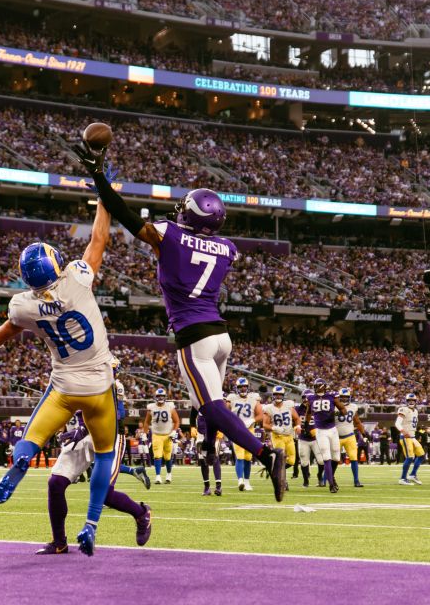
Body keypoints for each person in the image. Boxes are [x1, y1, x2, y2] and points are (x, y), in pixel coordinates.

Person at [80, 145, 287, 501]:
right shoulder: (226, 247)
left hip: (194, 338)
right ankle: (209, 446)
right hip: (221, 336)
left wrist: (101, 182)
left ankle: (268, 456)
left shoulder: (170, 234)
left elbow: (127, 218)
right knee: (209, 405)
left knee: (211, 407)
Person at [0, 202, 120, 556]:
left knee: (34, 435)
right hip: (98, 385)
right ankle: (90, 524)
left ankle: (22, 459)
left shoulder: (23, 306)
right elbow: (99, 238)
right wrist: (105, 200)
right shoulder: (76, 278)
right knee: (104, 456)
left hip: (63, 387)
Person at [37, 382, 153, 555]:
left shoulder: (107, 376)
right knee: (56, 483)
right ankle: (59, 542)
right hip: (80, 432)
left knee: (104, 493)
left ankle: (141, 514)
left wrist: (84, 427)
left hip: (109, 433)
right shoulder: (66, 370)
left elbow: (118, 413)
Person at [304, 379, 348, 492]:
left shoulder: (332, 396)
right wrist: (305, 425)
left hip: (332, 430)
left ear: (323, 386)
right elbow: (308, 412)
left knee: (336, 458)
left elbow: (343, 409)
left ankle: (331, 476)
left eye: (318, 386)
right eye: (315, 386)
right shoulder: (311, 398)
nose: (316, 388)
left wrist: (337, 413)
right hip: (320, 431)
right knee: (326, 457)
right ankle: (331, 484)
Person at [224, 377, 264, 491]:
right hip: (236, 430)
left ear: (248, 387)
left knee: (248, 457)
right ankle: (240, 480)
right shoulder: (232, 398)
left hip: (250, 430)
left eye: (245, 387)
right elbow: (225, 413)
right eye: (241, 387)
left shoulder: (253, 398)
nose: (243, 389)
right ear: (237, 388)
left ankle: (246, 481)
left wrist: (252, 420)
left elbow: (260, 415)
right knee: (240, 455)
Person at [142, 388, 180, 484]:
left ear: (165, 397)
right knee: (157, 456)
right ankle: (158, 476)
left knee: (167, 456)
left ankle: (168, 474)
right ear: (155, 397)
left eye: (162, 396)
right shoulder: (151, 407)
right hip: (156, 435)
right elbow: (146, 422)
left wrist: (174, 431)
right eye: (158, 396)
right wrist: (144, 433)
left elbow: (177, 421)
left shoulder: (170, 407)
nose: (160, 398)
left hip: (168, 435)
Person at [263, 385, 299, 483]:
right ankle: (283, 480)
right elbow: (265, 425)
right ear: (273, 395)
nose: (278, 397)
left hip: (289, 436)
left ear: (283, 395)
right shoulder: (269, 408)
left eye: (280, 395)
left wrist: (298, 426)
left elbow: (296, 418)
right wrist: (274, 428)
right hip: (277, 437)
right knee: (281, 459)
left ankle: (275, 469)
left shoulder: (289, 405)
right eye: (276, 395)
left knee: (292, 461)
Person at [334, 387, 366, 488]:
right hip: (336, 437)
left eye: (346, 397)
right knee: (333, 459)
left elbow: (357, 421)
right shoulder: (333, 406)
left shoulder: (353, 406)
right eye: (342, 397)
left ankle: (356, 481)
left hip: (350, 436)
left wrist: (364, 434)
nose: (344, 399)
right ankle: (326, 479)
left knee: (354, 458)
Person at [396, 394, 425, 485]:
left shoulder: (415, 411)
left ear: (416, 401)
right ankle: (403, 478)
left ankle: (412, 474)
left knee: (421, 455)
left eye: (413, 400)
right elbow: (397, 423)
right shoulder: (403, 409)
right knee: (410, 457)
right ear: (406, 401)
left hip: (412, 437)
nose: (411, 402)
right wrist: (403, 431)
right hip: (406, 437)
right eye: (409, 400)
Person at [192, 408, 223, 496]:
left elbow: (223, 416)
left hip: (214, 433)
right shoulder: (198, 401)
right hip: (201, 434)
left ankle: (218, 486)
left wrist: (221, 429)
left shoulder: (215, 402)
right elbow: (193, 413)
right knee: (202, 460)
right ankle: (207, 487)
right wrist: (192, 426)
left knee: (215, 457)